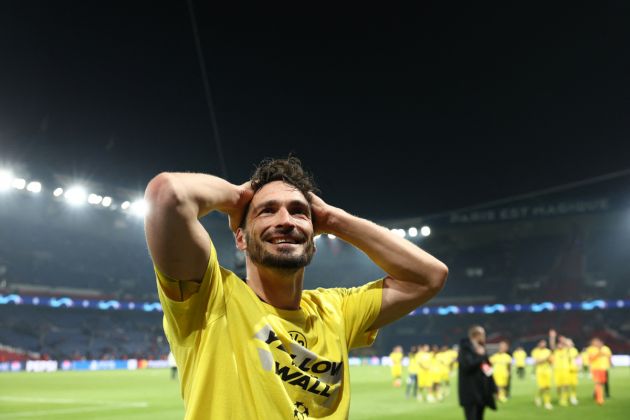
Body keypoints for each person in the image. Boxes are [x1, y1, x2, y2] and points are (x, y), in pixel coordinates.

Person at [144, 157, 449, 419]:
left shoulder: (336, 311)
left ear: (313, 236)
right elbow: (166, 194)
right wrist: (237, 197)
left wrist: (333, 219)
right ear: (241, 239)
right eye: (267, 210)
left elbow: (428, 276)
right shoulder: (210, 297)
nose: (285, 220)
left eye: (298, 211)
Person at [457, 325, 497, 420]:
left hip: (481, 393)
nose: (485, 337)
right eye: (483, 335)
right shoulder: (464, 349)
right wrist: (481, 356)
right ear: (477, 335)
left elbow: (487, 369)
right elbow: (468, 366)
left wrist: (494, 388)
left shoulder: (481, 348)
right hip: (470, 393)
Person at [587, 337, 612, 405]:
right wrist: (599, 352)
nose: (596, 343)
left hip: (603, 368)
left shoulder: (606, 348)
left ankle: (597, 394)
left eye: (597, 342)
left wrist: (610, 363)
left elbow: (609, 356)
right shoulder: (590, 349)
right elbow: (591, 359)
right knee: (598, 382)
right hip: (595, 368)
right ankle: (599, 399)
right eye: (595, 342)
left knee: (602, 383)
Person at [531, 338, 553, 410]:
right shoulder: (535, 351)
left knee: (547, 387)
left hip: (548, 371)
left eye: (544, 343)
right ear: (539, 344)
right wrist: (546, 358)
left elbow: (551, 361)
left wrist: (548, 360)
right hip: (539, 371)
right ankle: (538, 398)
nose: (544, 344)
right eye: (542, 343)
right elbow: (537, 361)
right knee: (542, 387)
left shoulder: (548, 351)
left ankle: (547, 402)